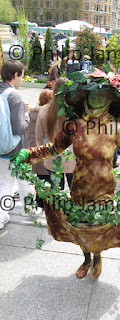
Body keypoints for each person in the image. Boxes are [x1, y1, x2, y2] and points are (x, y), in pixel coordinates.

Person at [14, 69, 120, 280]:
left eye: (102, 95)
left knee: (98, 227)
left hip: (104, 189)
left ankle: (96, 256)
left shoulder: (116, 128)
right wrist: (28, 154)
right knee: (81, 229)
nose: (97, 98)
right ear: (85, 96)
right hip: (80, 187)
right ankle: (87, 258)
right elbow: (53, 148)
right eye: (93, 94)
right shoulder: (74, 126)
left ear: (109, 99)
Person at [0, 60, 33, 227]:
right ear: (15, 75)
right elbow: (19, 127)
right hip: (16, 148)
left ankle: (1, 215)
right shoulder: (15, 96)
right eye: (22, 75)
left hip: (1, 148)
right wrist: (26, 115)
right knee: (24, 179)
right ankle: (28, 208)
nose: (22, 79)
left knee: (5, 181)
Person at [36, 78, 76, 190]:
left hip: (52, 158)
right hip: (72, 158)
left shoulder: (44, 110)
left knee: (56, 196)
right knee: (76, 197)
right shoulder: (75, 112)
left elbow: (38, 137)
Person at [27, 89, 53, 210]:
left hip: (34, 149)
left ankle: (38, 200)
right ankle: (45, 201)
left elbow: (30, 133)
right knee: (48, 177)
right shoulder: (47, 114)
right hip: (45, 150)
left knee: (39, 176)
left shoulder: (32, 114)